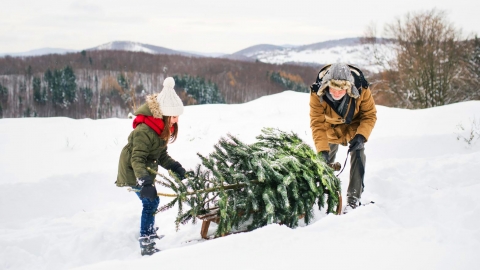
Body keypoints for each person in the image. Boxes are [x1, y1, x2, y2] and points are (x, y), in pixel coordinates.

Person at [116, 77, 186, 255]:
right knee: (151, 202)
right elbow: (137, 159)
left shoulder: (160, 128)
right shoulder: (145, 131)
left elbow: (160, 155)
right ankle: (146, 239)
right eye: (175, 116)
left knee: (152, 202)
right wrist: (145, 182)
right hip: (134, 171)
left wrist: (176, 167)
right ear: (165, 113)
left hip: (143, 172)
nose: (177, 120)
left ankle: (149, 232)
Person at [309, 63, 377, 213]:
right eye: (333, 88)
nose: (337, 92)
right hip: (329, 129)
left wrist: (361, 136)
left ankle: (353, 200)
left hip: (354, 126)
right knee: (324, 161)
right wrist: (322, 150)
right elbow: (317, 123)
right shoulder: (317, 93)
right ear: (326, 85)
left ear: (348, 87)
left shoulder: (362, 89)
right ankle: (320, 196)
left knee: (358, 153)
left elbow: (369, 115)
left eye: (341, 89)